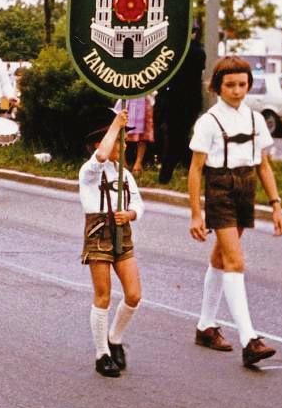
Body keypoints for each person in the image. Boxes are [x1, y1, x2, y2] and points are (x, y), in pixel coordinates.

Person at [188, 56, 282, 367]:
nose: (237, 91)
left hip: (246, 188)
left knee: (221, 257)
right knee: (235, 260)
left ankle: (205, 326)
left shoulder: (256, 120)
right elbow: (195, 170)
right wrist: (195, 213)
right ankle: (249, 339)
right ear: (217, 86)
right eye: (229, 85)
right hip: (219, 189)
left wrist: (276, 205)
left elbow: (263, 165)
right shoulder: (208, 122)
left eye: (242, 84)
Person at [79, 108, 144, 377]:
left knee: (134, 294)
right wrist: (116, 123)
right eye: (119, 138)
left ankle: (115, 338)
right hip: (98, 232)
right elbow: (103, 155)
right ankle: (101, 353)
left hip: (122, 231)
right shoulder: (89, 171)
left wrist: (130, 213)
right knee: (103, 295)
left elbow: (138, 203)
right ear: (100, 142)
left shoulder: (124, 174)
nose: (123, 143)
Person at [155, 25, 206, 183]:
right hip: (191, 100)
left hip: (173, 99)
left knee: (175, 137)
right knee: (180, 137)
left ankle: (166, 175)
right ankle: (193, 167)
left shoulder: (172, 50)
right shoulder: (198, 51)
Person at [114, 96, 154, 176]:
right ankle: (123, 163)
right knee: (122, 131)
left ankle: (138, 164)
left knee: (143, 134)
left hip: (142, 100)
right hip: (126, 98)